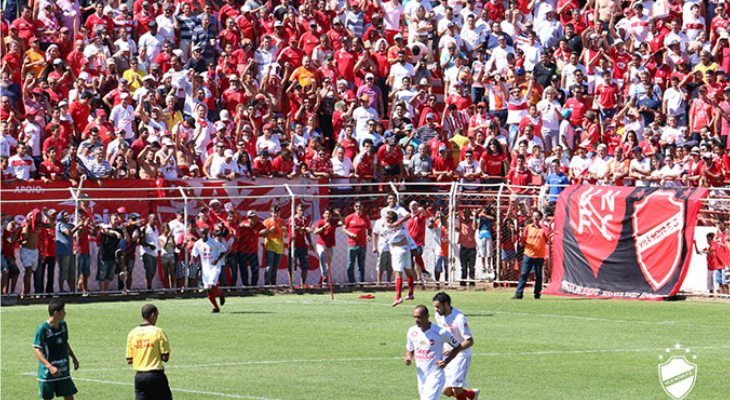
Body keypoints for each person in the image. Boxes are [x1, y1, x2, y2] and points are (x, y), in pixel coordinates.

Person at [405, 305, 464, 400]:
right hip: (421, 376)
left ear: (427, 316)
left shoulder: (440, 332)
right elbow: (410, 349)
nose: (416, 320)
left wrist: (446, 361)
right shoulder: (412, 331)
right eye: (414, 317)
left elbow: (458, 346)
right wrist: (408, 357)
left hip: (435, 376)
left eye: (419, 317)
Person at [433, 292, 479, 400]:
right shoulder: (438, 315)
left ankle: (468, 395)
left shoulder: (459, 319)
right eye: (435, 307)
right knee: (445, 390)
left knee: (456, 388)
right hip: (447, 355)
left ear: (447, 305)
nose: (436, 309)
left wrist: (453, 349)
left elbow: (470, 341)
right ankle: (471, 395)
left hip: (461, 355)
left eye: (438, 307)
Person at [33, 299, 80, 400]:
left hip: (63, 370)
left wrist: (74, 358)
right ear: (56, 313)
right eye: (63, 311)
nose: (65, 313)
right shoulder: (42, 329)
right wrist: (49, 366)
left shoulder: (63, 325)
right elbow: (37, 349)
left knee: (69, 396)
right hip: (48, 373)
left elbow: (65, 343)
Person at [126, 304, 172, 400]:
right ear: (152, 315)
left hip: (139, 377)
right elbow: (165, 358)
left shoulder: (132, 333)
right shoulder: (158, 332)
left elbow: (129, 360)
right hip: (155, 375)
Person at [513, 210, 551, 299]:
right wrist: (521, 239)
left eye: (537, 216)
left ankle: (537, 293)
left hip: (539, 255)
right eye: (533, 216)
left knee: (538, 275)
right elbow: (523, 240)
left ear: (540, 218)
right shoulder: (528, 227)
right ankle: (519, 293)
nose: (535, 218)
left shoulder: (543, 228)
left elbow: (548, 236)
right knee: (524, 274)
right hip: (528, 254)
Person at [383, 210, 416, 306]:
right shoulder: (402, 225)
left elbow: (388, 240)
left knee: (398, 274)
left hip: (397, 251)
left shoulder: (386, 229)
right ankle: (411, 293)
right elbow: (409, 215)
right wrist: (398, 223)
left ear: (389, 219)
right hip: (406, 248)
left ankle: (398, 297)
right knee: (408, 271)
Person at [191, 227, 228, 313]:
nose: (204, 235)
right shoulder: (198, 243)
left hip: (214, 267)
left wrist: (217, 260)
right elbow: (193, 253)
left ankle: (220, 295)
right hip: (205, 269)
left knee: (211, 287)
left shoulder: (214, 242)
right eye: (202, 233)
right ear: (200, 234)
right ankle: (216, 307)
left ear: (208, 233)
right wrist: (191, 260)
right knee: (208, 289)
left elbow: (223, 251)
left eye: (205, 233)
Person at [343, 201, 372, 284]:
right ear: (354, 207)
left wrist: (369, 235)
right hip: (352, 244)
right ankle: (351, 283)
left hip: (363, 244)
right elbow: (344, 229)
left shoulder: (365, 217)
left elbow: (369, 228)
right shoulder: (349, 217)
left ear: (362, 207)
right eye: (356, 206)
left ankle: (361, 283)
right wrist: (350, 234)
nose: (358, 208)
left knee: (361, 265)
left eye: (360, 206)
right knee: (350, 265)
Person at [261, 204, 288, 286]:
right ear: (271, 212)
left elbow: (286, 236)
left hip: (279, 247)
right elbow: (264, 235)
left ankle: (273, 285)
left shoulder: (282, 221)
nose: (276, 214)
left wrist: (284, 230)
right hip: (270, 246)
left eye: (277, 212)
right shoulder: (266, 221)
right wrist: (269, 231)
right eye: (274, 212)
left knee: (275, 268)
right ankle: (266, 285)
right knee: (269, 267)